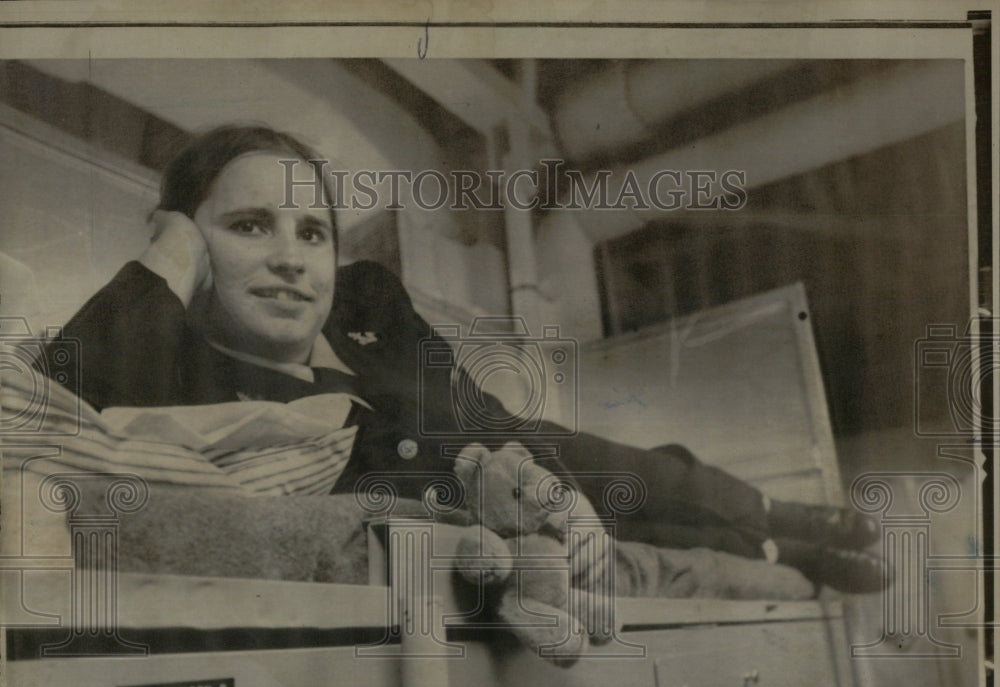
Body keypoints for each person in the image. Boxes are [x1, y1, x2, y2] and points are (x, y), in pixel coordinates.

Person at [41, 124, 883, 592]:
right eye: (248, 226)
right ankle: (790, 556)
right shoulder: (179, 371)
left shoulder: (366, 296)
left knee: (644, 474)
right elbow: (58, 393)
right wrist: (167, 253)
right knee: (647, 528)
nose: (294, 259)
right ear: (191, 243)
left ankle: (784, 514)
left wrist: (529, 474)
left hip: (503, 455)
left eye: (312, 232)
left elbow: (467, 414)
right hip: (470, 514)